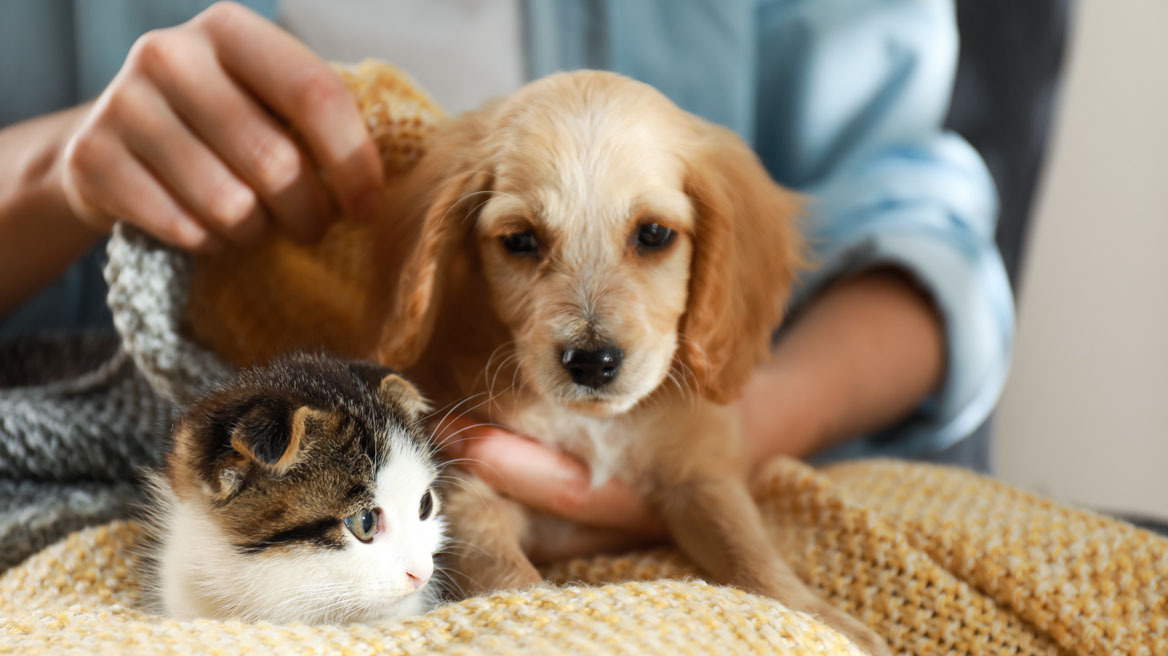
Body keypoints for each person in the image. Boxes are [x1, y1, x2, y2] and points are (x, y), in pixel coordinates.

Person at [0, 1, 1012, 554]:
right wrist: (53, 171)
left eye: (653, 236)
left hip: (740, 452)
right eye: (520, 242)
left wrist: (727, 431)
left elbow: (921, 228)